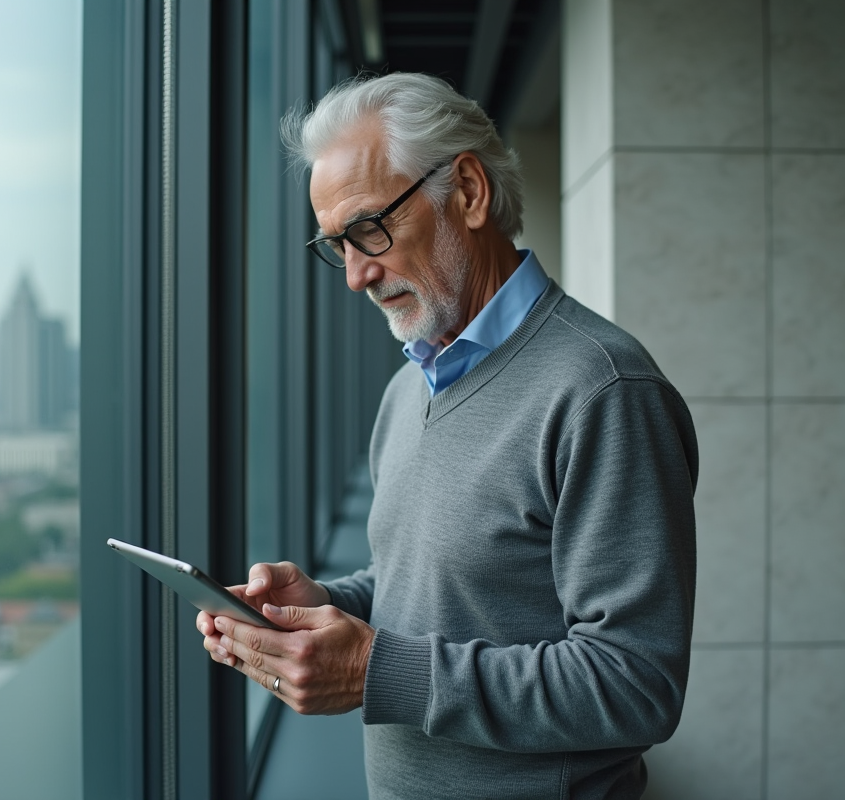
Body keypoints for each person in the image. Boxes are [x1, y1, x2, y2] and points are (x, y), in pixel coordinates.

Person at [198, 72, 698, 800]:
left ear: (467, 191)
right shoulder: (410, 387)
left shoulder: (604, 391)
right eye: (336, 245)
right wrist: (327, 604)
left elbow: (636, 683)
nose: (356, 275)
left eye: (370, 229)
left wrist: (373, 671)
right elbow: (440, 583)